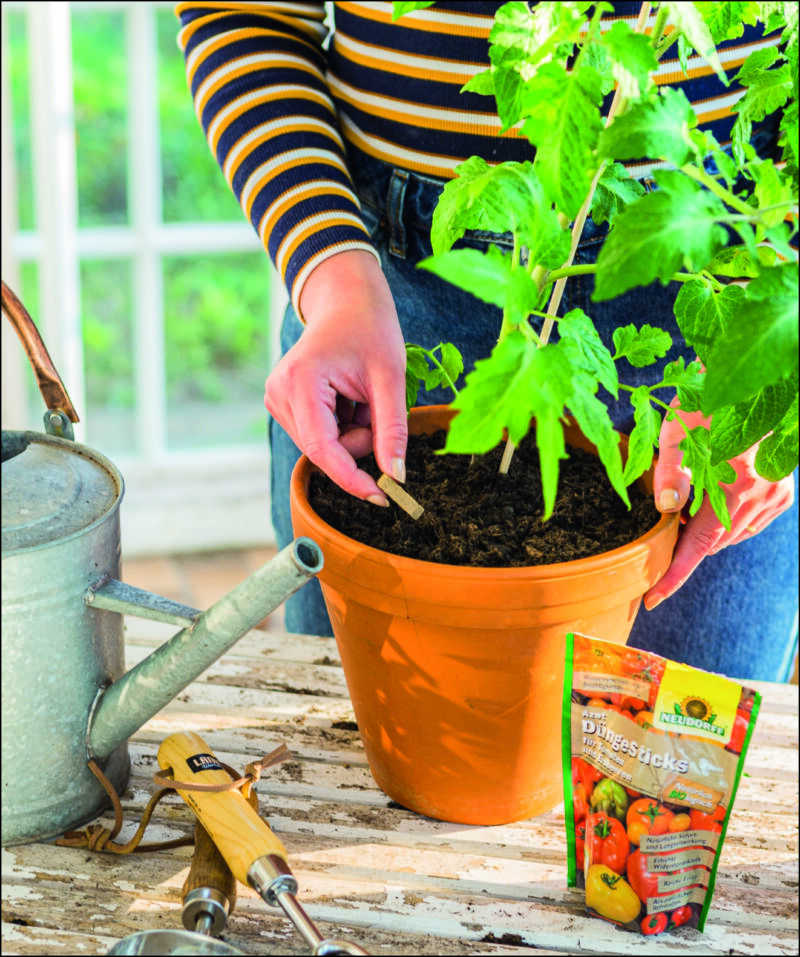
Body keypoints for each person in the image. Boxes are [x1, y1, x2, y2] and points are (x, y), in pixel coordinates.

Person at [175, 1, 797, 681]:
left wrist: (768, 367)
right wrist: (328, 270)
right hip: (384, 291)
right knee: (351, 757)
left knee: (673, 769)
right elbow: (241, 12)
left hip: (729, 312)